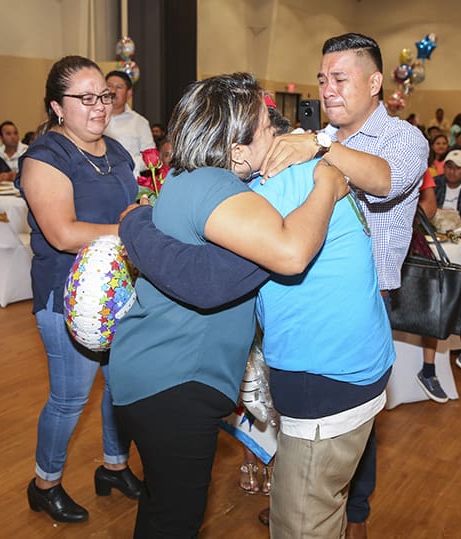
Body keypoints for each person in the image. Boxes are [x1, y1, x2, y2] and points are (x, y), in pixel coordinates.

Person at [109, 72, 349, 538]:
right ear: (236, 150)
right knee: (175, 521)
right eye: (266, 125)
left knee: (161, 507)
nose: (277, 132)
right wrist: (327, 184)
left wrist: (135, 223)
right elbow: (290, 254)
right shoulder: (221, 188)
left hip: (146, 371)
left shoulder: (183, 176)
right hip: (174, 381)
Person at [261, 32, 429, 539]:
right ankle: (311, 500)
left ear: (375, 81)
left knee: (354, 422)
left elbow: (382, 180)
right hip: (299, 303)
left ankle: (352, 517)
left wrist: (319, 145)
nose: (327, 89)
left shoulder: (402, 138)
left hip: (359, 312)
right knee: (309, 430)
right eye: (322, 79)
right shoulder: (313, 137)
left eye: (340, 78)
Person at [20, 55, 143, 524]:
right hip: (67, 295)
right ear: (57, 106)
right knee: (70, 397)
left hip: (118, 288)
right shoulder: (45, 158)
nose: (99, 106)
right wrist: (130, 229)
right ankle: (44, 482)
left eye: (104, 97)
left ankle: (114, 466)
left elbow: (135, 205)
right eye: (86, 98)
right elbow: (62, 233)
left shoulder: (116, 152)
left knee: (120, 388)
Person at [419, 149, 461, 396]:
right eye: (447, 166)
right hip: (418, 245)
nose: (451, 171)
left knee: (459, 290)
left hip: (449, 244)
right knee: (437, 296)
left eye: (456, 167)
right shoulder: (427, 180)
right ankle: (430, 368)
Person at [103, 70, 156, 174]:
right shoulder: (92, 118)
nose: (113, 91)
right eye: (109, 86)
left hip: (129, 180)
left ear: (129, 93)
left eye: (119, 87)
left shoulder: (139, 122)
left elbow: (151, 157)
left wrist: (126, 163)